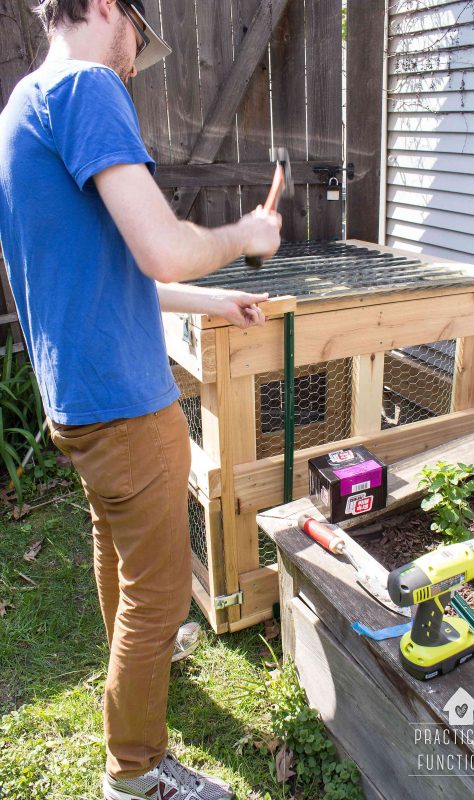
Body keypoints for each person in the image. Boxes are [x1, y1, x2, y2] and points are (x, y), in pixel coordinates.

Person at [0, 1, 282, 798]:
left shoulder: (21, 107)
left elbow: (116, 273)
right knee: (159, 594)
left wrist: (216, 303)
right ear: (102, 7)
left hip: (77, 402)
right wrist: (243, 240)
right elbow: (160, 246)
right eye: (136, 34)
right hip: (126, 402)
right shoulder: (86, 86)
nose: (133, 59)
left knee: (118, 554)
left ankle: (139, 660)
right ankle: (135, 773)